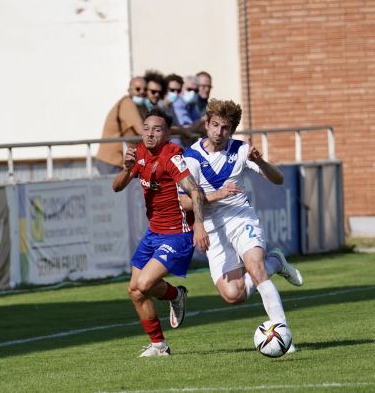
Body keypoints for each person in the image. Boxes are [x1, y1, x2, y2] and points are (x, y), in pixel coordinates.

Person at [179, 99, 303, 354]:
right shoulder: (190, 157)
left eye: (225, 127)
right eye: (214, 125)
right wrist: (202, 222)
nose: (219, 132)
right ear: (206, 124)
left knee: (255, 269)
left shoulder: (242, 150)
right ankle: (276, 262)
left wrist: (263, 162)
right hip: (213, 226)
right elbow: (184, 201)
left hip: (241, 217)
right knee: (233, 295)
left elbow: (277, 180)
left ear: (232, 130)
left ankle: (283, 335)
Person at [112, 108, 209, 357]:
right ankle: (159, 346)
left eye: (157, 129)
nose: (150, 134)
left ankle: (176, 294)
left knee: (144, 283)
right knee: (134, 290)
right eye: (146, 128)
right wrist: (126, 168)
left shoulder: (172, 156)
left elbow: (195, 192)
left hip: (178, 234)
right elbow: (116, 187)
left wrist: (199, 224)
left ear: (167, 134)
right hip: (153, 233)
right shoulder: (139, 154)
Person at [94, 77, 147, 175]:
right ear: (129, 90)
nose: (142, 92)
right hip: (111, 160)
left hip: (123, 159)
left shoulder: (140, 106)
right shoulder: (127, 103)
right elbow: (141, 129)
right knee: (114, 189)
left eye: (145, 89)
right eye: (138, 89)